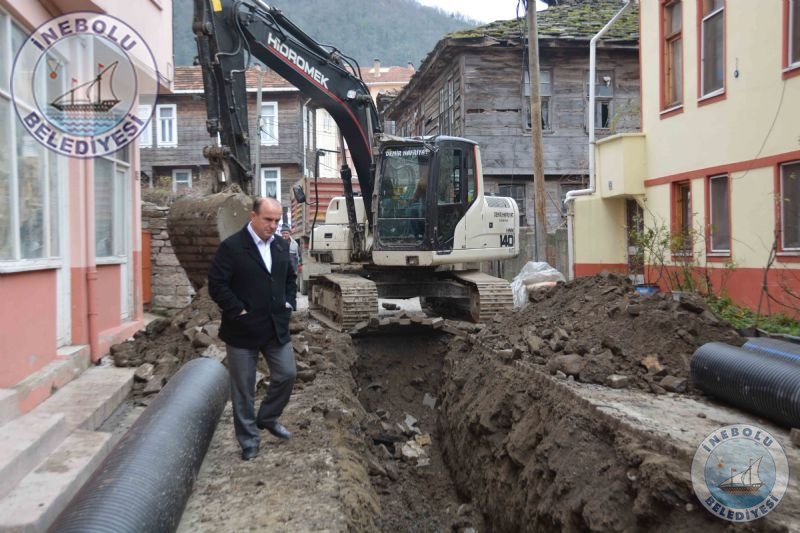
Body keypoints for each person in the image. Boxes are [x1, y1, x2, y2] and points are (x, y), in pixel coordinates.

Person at [208, 197, 298, 461]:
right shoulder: (232, 247)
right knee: (244, 389)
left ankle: (267, 417)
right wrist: (238, 310)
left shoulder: (282, 246)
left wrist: (289, 302)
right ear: (253, 216)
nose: (273, 225)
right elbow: (217, 284)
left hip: (274, 327)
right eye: (268, 220)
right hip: (242, 330)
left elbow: (290, 278)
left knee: (287, 374)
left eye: (277, 220)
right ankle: (249, 440)